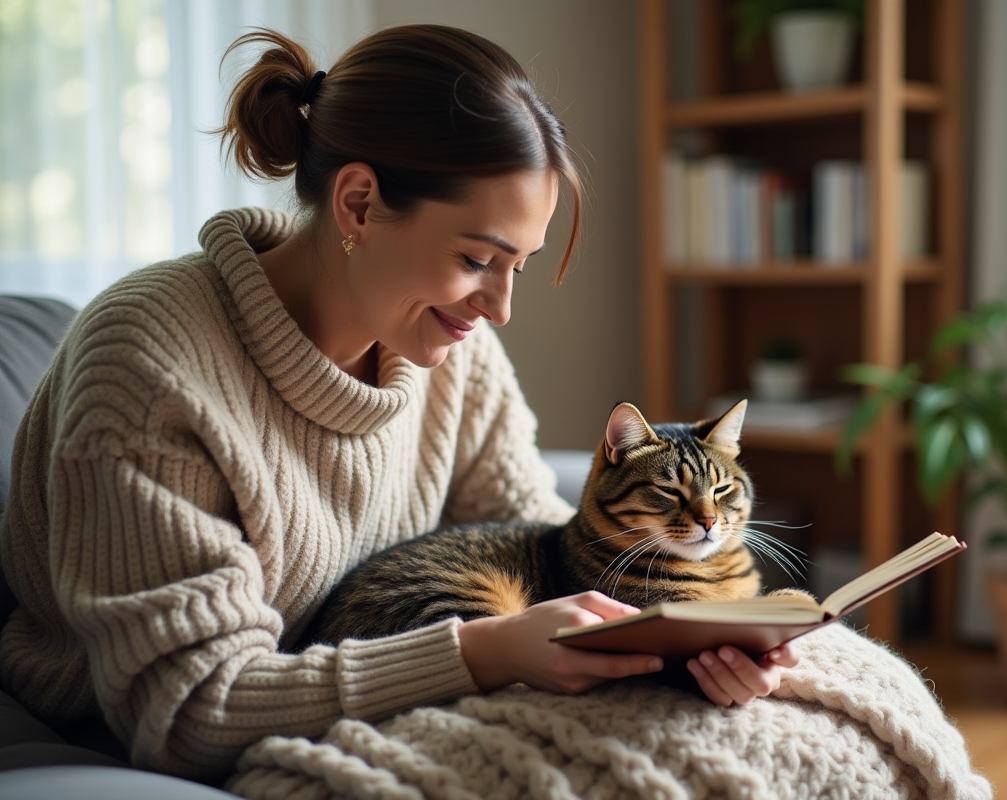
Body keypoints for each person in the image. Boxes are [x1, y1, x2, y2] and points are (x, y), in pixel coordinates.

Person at [0, 24, 801, 783]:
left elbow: (543, 545)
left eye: (518, 265)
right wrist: (482, 652)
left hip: (396, 673)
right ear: (357, 205)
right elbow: (185, 711)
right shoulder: (150, 360)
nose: (500, 308)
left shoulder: (452, 346)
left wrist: (687, 647)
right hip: (159, 733)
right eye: (478, 258)